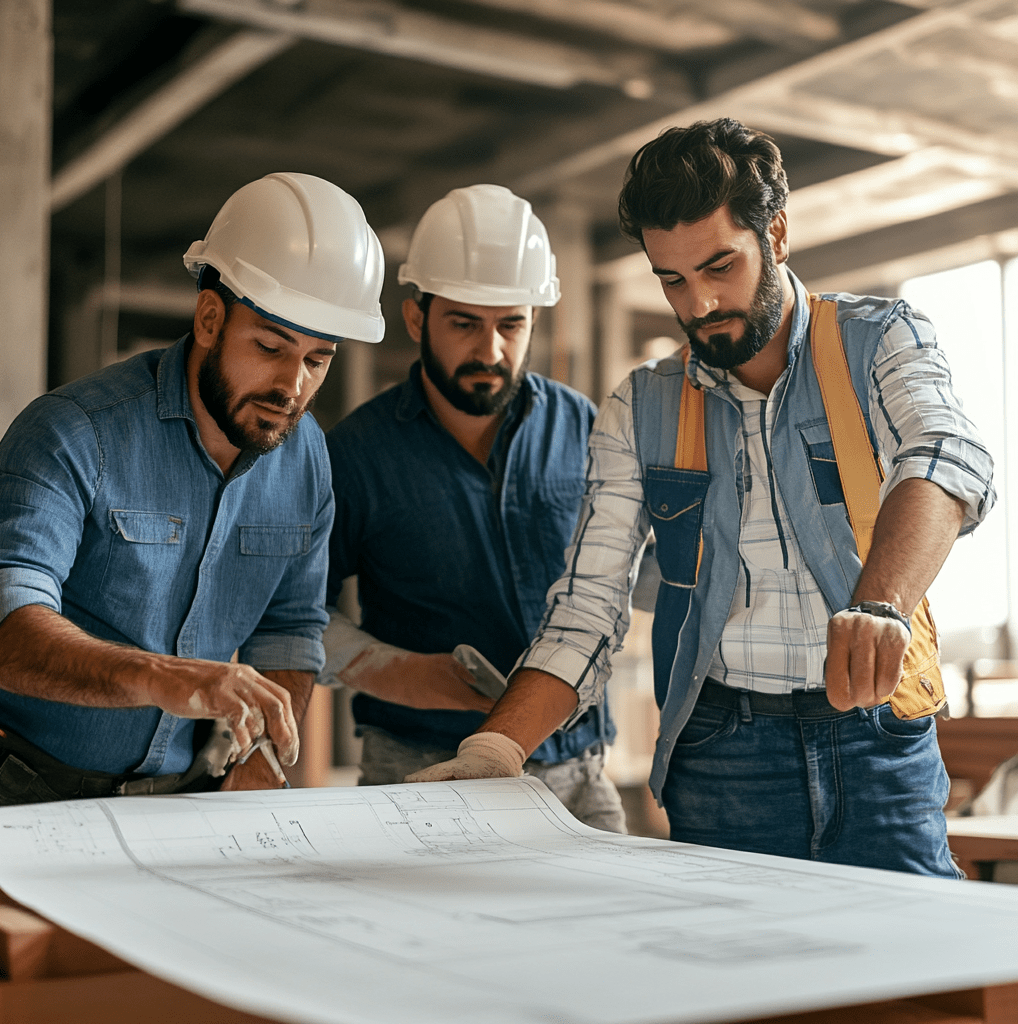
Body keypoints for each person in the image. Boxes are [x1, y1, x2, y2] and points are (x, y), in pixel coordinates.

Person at [408, 121, 997, 877]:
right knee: (743, 984)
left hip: (876, 738)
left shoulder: (878, 342)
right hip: (723, 757)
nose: (701, 302)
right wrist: (498, 746)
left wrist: (880, 604)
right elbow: (588, 607)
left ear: (775, 234)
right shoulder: (638, 409)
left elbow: (947, 455)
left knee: (917, 976)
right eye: (673, 280)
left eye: (721, 265)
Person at [0, 172, 385, 804]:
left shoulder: (306, 455)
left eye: (317, 359)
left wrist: (259, 751)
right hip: (22, 790)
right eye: (270, 347)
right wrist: (162, 677)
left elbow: (289, 624)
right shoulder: (72, 433)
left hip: (183, 796)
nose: (293, 387)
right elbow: (5, 628)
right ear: (209, 319)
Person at [320, 183, 626, 832]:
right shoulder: (357, 452)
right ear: (415, 319)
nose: (490, 352)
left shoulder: (583, 426)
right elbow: (292, 610)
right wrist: (397, 673)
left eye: (511, 324)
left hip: (575, 771)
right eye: (463, 323)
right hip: (417, 770)